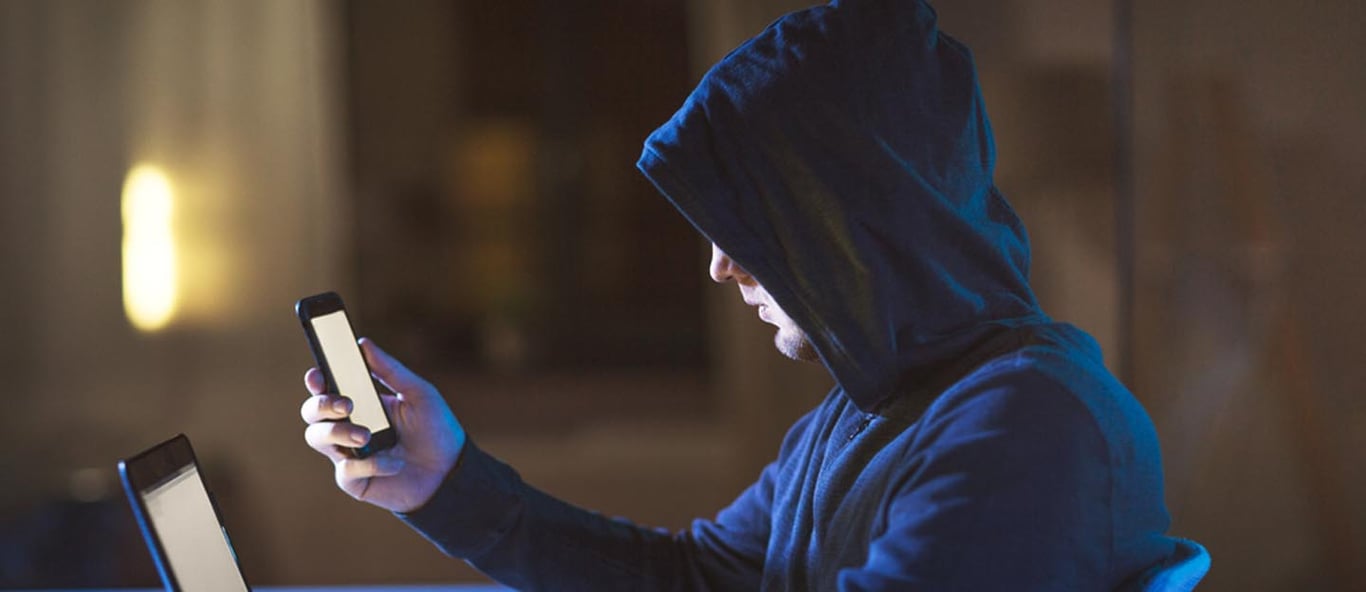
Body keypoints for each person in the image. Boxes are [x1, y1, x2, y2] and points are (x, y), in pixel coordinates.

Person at [301, 0, 1195, 589]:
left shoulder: (1030, 425)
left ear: (854, 216)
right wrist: (444, 483)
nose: (721, 266)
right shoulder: (871, 412)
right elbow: (698, 581)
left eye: (751, 222)